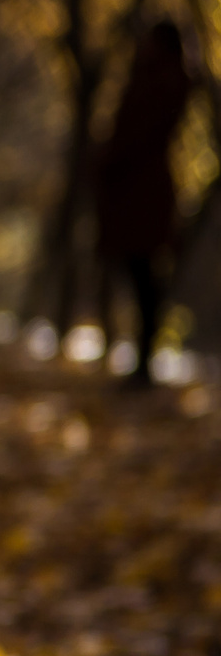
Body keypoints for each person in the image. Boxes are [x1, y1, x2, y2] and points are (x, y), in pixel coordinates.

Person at [97, 20, 194, 387]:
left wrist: (109, 161)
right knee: (139, 276)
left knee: (144, 279)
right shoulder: (151, 78)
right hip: (134, 193)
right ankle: (140, 363)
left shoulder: (164, 83)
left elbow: (137, 134)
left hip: (143, 194)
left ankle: (143, 366)